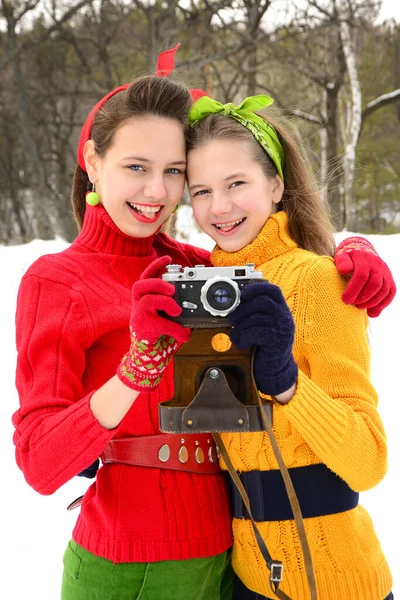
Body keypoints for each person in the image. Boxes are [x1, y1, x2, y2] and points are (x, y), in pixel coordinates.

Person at [11, 46, 394, 600]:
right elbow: (41, 465)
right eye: (136, 168)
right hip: (127, 559)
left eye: (173, 173)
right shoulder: (58, 282)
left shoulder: (193, 268)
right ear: (93, 163)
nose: (156, 192)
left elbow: (272, 259)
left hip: (229, 559)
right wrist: (136, 370)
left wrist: (349, 253)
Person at [185, 94, 395, 600]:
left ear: (276, 184)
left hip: (335, 582)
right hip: (248, 577)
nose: (219, 206)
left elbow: (369, 460)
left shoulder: (319, 280)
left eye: (237, 183)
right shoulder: (204, 291)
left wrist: (286, 384)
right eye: (200, 191)